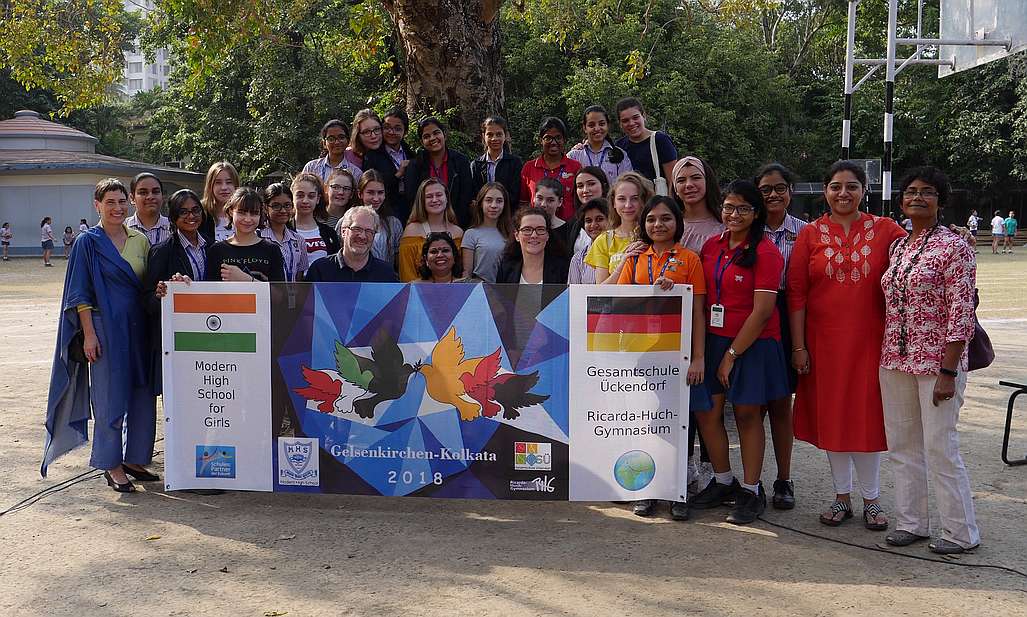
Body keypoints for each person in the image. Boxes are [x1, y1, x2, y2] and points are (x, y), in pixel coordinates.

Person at [787, 160, 906, 531]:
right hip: (822, 346)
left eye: (851, 186)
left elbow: (919, 249)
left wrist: (955, 236)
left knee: (866, 421)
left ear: (863, 190)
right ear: (825, 191)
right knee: (833, 420)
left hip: (871, 343)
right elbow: (796, 294)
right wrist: (799, 347)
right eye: (836, 186)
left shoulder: (886, 230)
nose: (843, 193)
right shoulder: (810, 234)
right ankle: (842, 497)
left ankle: (872, 500)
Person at [878, 166, 980, 555]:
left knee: (940, 446)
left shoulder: (955, 247)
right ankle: (912, 522)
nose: (918, 197)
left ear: (941, 200)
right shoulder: (899, 247)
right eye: (911, 191)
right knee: (903, 445)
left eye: (927, 192)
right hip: (895, 359)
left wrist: (949, 371)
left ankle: (960, 532)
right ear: (902, 200)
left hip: (938, 364)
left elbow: (961, 311)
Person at [43, 178, 157, 491]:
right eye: (110, 202)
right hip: (105, 328)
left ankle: (135, 458)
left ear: (129, 203)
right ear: (97, 206)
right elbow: (79, 295)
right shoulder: (87, 242)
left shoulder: (140, 241)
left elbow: (147, 285)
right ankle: (110, 464)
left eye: (122, 202)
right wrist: (90, 335)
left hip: (139, 327)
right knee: (109, 396)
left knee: (143, 394)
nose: (117, 208)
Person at [690, 180, 787, 524]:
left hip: (753, 343)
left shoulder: (766, 251)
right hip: (714, 339)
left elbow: (762, 312)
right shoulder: (711, 245)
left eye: (743, 208)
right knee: (707, 413)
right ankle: (723, 481)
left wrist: (731, 356)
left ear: (756, 213)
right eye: (729, 207)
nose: (734, 214)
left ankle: (750, 489)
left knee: (747, 414)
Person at [616, 195, 707, 520]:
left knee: (678, 424)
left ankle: (678, 489)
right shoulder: (634, 258)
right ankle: (648, 489)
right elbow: (619, 302)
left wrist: (698, 357)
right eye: (652, 219)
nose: (658, 224)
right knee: (644, 423)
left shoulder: (689, 259)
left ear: (677, 222)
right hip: (639, 357)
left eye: (666, 218)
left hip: (677, 357)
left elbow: (697, 311)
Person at [755, 162, 808, 510]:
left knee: (779, 404)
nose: (773, 194)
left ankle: (784, 479)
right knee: (750, 405)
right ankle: (751, 479)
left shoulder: (807, 232)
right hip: (753, 317)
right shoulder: (748, 229)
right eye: (765, 189)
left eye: (779, 187)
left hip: (789, 317)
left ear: (790, 191)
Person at [145, 189, 209, 405]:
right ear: (172, 217)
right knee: (178, 404)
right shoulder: (162, 251)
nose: (191, 216)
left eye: (195, 210)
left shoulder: (213, 247)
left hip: (210, 334)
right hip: (178, 339)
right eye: (183, 212)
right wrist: (162, 292)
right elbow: (147, 300)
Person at [585, 171, 653, 284]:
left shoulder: (654, 235)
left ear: (644, 201)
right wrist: (623, 262)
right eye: (621, 199)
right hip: (616, 301)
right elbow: (601, 291)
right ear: (614, 203)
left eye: (635, 198)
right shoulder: (604, 240)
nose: (628, 205)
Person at [205, 187, 285, 282]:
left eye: (254, 213)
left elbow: (279, 293)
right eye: (241, 213)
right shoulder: (216, 250)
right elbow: (211, 292)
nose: (248, 219)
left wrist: (247, 279)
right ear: (231, 211)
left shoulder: (272, 250)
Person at [303, 206, 399, 283]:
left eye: (369, 231)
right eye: (357, 229)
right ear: (343, 232)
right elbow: (307, 306)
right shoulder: (320, 270)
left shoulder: (386, 274)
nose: (362, 236)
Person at [406, 117, 473, 227]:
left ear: (444, 135)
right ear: (422, 142)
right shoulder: (415, 165)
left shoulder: (460, 161)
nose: (432, 138)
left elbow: (466, 196)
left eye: (436, 133)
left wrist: (455, 224)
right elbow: (412, 199)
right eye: (426, 136)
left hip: (457, 223)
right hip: (425, 225)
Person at [398, 178, 464, 282]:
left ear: (447, 198)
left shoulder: (458, 233)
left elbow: (461, 272)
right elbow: (406, 273)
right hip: (419, 293)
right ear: (422, 201)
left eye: (439, 195)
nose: (434, 200)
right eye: (429, 196)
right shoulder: (411, 231)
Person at [519, 117, 581, 220]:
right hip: (537, 227)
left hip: (568, 229)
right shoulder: (529, 168)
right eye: (548, 138)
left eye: (558, 137)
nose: (553, 142)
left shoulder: (575, 167)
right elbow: (523, 202)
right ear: (540, 140)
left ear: (564, 140)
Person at [363, 108, 416, 223]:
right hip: (385, 211)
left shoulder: (411, 154)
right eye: (387, 127)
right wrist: (398, 174)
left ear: (405, 132)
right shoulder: (372, 155)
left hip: (409, 208)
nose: (391, 132)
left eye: (397, 129)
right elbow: (370, 185)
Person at [614, 97, 677, 190]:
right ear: (620, 124)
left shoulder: (660, 140)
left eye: (635, 117)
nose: (631, 123)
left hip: (657, 201)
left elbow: (673, 180)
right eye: (625, 120)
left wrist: (669, 203)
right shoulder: (619, 146)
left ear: (643, 116)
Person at [495, 207, 570, 284]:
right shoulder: (506, 268)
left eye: (540, 229)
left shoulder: (563, 269)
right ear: (517, 235)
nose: (534, 235)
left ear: (547, 235)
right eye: (527, 229)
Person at [461, 182, 513, 283]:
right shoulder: (471, 234)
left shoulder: (512, 234)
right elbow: (467, 274)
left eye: (499, 201)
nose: (494, 205)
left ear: (504, 204)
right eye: (488, 200)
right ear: (481, 203)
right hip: (481, 291)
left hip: (507, 290)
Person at [567, 105, 632, 184]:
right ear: (584, 128)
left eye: (601, 124)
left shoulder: (620, 155)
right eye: (591, 125)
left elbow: (627, 185)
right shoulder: (574, 156)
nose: (597, 128)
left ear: (608, 125)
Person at [470, 115, 523, 211]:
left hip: (507, 215)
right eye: (490, 135)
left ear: (505, 136)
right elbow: (474, 193)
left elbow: (515, 193)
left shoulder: (514, 163)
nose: (494, 139)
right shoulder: (476, 165)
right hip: (483, 215)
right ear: (483, 136)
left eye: (498, 134)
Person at [259, 183, 309, 282]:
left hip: (292, 295)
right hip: (266, 295)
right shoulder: (258, 237)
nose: (282, 211)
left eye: (287, 205)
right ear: (265, 208)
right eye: (276, 206)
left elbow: (299, 277)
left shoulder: (299, 240)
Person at [673, 156, 724, 254]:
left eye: (696, 178)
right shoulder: (668, 224)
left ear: (707, 182)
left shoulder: (725, 223)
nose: (689, 185)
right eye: (681, 180)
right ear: (675, 189)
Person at [291, 172, 340, 265]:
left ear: (318, 199)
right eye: (300, 195)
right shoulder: (283, 230)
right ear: (292, 197)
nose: (305, 201)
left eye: (311, 196)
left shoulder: (329, 233)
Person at [358, 169, 403, 266]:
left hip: (385, 279)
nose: (376, 198)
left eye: (380, 193)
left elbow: (398, 262)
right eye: (370, 192)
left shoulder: (394, 224)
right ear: (360, 194)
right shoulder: (346, 222)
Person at [302, 119, 362, 185]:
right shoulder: (311, 168)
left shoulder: (355, 173)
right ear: (324, 143)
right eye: (331, 139)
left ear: (348, 141)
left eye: (341, 137)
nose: (337, 142)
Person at [567, 198, 609, 284]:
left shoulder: (622, 251)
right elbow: (574, 294)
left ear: (611, 220)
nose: (593, 225)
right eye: (588, 221)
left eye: (599, 219)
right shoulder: (578, 259)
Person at [571, 166, 611, 254]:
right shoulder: (574, 225)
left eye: (591, 184)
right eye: (580, 186)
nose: (585, 190)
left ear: (603, 186)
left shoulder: (617, 217)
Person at [198, 161, 240, 244]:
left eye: (229, 182)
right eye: (218, 183)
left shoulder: (245, 213)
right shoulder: (200, 213)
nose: (224, 187)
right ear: (210, 186)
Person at [125, 173, 171, 246]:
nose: (150, 196)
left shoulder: (174, 229)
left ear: (162, 196)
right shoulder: (121, 229)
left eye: (155, 192)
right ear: (132, 198)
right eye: (143, 192)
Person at [532, 177, 576, 250]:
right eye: (539, 198)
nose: (543, 204)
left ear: (560, 202)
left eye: (550, 200)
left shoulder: (569, 231)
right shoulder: (522, 226)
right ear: (533, 198)